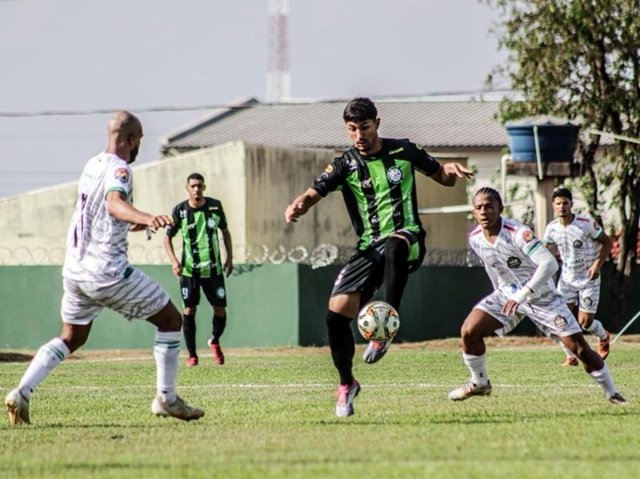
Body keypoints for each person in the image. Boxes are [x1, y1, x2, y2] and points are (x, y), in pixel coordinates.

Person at [4, 111, 205, 425]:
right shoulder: (121, 169)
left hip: (76, 271)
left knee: (71, 337)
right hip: (106, 271)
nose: (139, 147)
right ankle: (166, 399)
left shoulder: (92, 164)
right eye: (139, 141)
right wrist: (148, 217)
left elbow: (104, 213)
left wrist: (140, 223)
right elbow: (114, 204)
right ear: (132, 139)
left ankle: (21, 392)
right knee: (170, 320)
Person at [284, 97, 473, 417]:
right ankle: (347, 384)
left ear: (377, 124)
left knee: (394, 245)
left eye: (365, 127)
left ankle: (386, 327)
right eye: (352, 129)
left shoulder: (404, 150)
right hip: (368, 248)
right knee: (335, 316)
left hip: (407, 238)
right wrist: (299, 204)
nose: (359, 135)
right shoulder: (345, 164)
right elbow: (315, 191)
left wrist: (450, 171)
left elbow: (442, 175)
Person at [448, 187, 626, 405]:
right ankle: (479, 383)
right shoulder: (476, 238)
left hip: (542, 296)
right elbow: (492, 267)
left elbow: (549, 263)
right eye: (479, 207)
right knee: (469, 331)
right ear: (473, 212)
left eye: (489, 206)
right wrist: (501, 292)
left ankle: (613, 393)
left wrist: (523, 294)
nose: (484, 211)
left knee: (579, 349)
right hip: (508, 294)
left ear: (500, 208)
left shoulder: (517, 233)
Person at [164, 173, 233, 366]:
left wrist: (230, 258)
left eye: (200, 186)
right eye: (193, 186)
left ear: (204, 187)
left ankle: (214, 340)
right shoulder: (180, 211)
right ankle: (192, 355)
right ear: (187, 188)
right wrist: (174, 261)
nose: (197, 189)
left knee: (220, 310)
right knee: (189, 309)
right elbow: (167, 238)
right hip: (190, 271)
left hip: (213, 270)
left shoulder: (215, 207)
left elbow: (225, 231)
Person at [543, 187, 613, 366]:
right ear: (553, 206)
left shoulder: (585, 223)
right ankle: (571, 357)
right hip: (566, 280)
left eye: (565, 203)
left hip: (589, 279)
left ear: (571, 204)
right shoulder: (551, 229)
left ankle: (603, 336)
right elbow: (544, 250)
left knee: (585, 323)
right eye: (558, 203)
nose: (562, 207)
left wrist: (597, 265)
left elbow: (607, 242)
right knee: (559, 320)